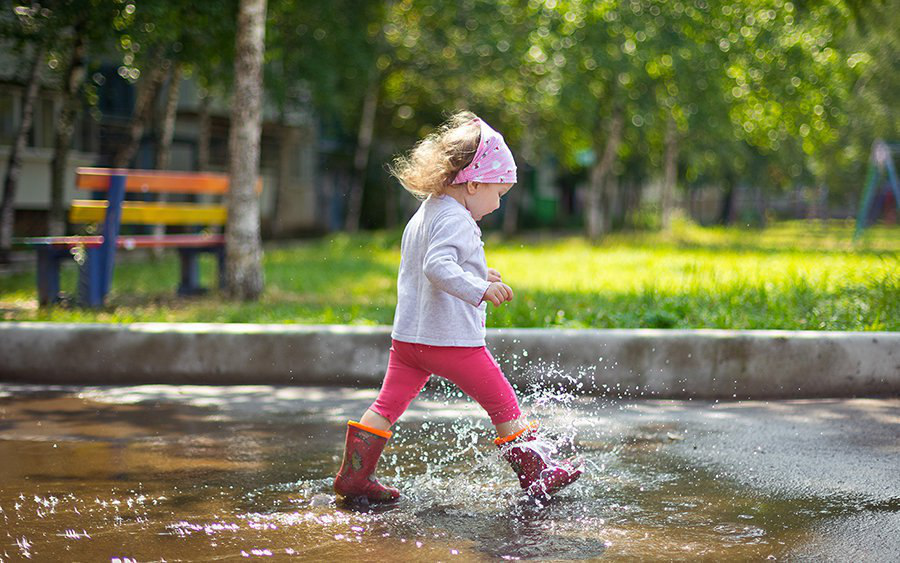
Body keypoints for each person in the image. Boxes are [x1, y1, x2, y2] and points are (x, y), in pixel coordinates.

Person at [333, 111, 583, 503]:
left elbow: (434, 262)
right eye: (497, 194)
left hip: (409, 342)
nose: (498, 205)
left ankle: (354, 476)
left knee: (387, 405)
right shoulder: (458, 219)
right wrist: (478, 289)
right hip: (451, 342)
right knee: (503, 403)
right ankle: (538, 475)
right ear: (473, 183)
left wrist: (482, 274)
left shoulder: (428, 212)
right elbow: (438, 267)